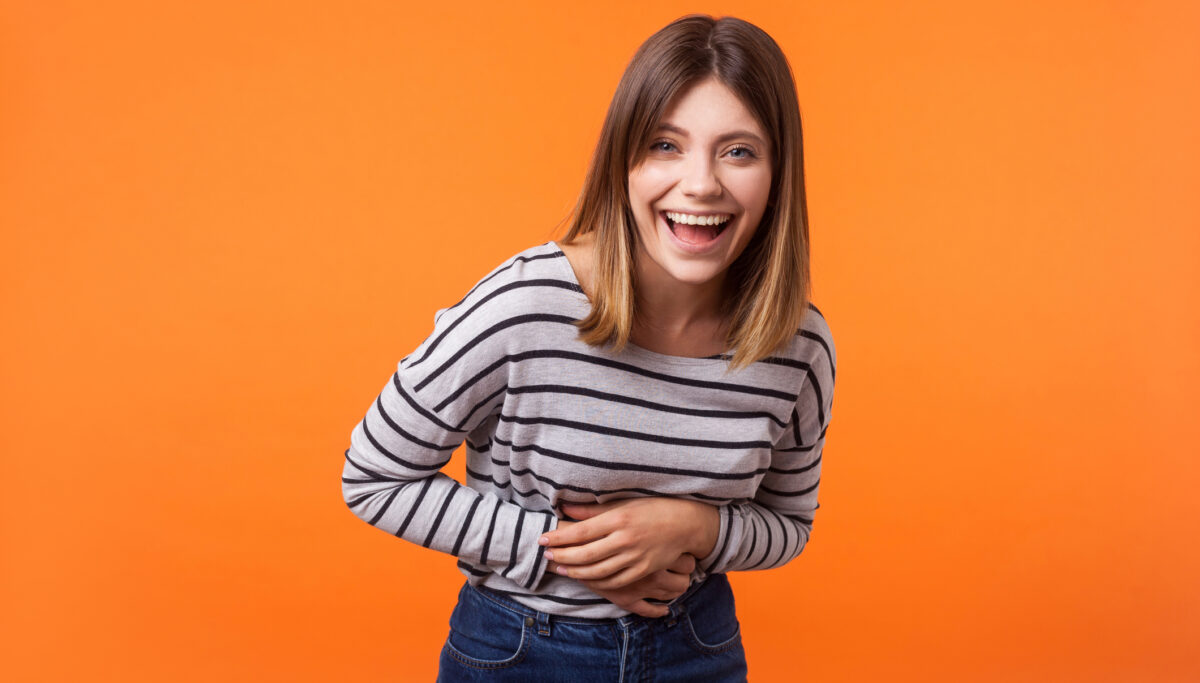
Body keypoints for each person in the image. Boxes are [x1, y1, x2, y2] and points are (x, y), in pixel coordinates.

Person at [341, 13, 836, 682]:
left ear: (778, 171)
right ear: (623, 161)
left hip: (699, 647)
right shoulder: (528, 305)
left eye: (738, 151)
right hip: (521, 648)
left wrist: (695, 527)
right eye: (666, 145)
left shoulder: (798, 346)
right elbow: (373, 474)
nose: (700, 184)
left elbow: (789, 523)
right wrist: (572, 555)